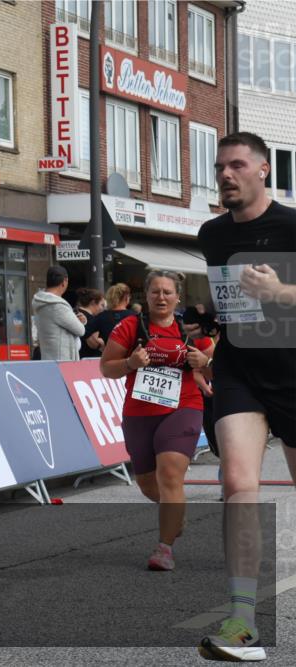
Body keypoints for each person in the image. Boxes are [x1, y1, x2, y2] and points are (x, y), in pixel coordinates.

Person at [191, 132, 296, 662]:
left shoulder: (293, 225)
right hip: (239, 371)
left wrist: (279, 294)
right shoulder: (211, 234)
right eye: (219, 167)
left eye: (236, 165)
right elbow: (228, 302)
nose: (225, 175)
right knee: (236, 481)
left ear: (263, 172)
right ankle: (242, 621)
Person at [100, 270, 214, 571]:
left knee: (170, 475)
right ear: (146, 296)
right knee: (150, 487)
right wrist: (129, 363)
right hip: (139, 413)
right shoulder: (129, 327)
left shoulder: (191, 331)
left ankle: (164, 549)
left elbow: (218, 370)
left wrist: (205, 363)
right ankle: (175, 513)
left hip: (183, 409)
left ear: (178, 297)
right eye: (155, 292)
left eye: (167, 292)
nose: (161, 297)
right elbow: (106, 368)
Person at [31, 265, 85, 361]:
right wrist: (81, 321)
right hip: (63, 361)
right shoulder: (58, 306)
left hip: (48, 358)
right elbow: (80, 330)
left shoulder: (40, 302)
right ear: (64, 282)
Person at [86, 282, 134, 348]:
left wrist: (99, 345)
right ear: (126, 298)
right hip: (130, 355)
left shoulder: (101, 316)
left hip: (109, 355)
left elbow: (86, 334)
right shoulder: (134, 316)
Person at [75, 287, 105, 358]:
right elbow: (94, 342)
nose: (102, 309)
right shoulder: (94, 320)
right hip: (90, 359)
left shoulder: (74, 313)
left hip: (76, 357)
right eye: (102, 305)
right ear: (93, 303)